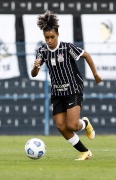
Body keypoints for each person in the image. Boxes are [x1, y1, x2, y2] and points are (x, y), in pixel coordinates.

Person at [31, 10, 102, 160]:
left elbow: (87, 55)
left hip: (73, 89)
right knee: (61, 127)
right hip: (57, 92)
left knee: (72, 125)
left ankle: (85, 123)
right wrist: (36, 66)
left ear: (57, 35)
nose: (49, 40)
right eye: (46, 38)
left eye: (52, 37)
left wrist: (95, 74)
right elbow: (34, 74)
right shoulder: (42, 51)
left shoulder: (67, 48)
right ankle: (85, 152)